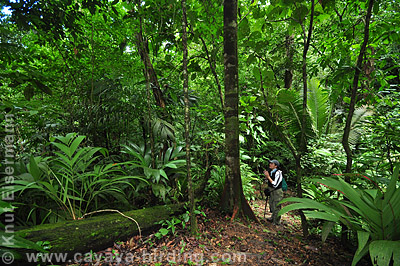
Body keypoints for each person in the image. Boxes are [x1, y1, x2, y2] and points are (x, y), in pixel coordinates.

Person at [263, 159, 283, 225]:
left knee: (276, 206)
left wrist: (268, 177)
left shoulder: (278, 173)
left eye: (272, 164)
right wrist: (266, 177)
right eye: (270, 163)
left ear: (276, 166)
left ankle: (276, 221)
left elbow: (275, 184)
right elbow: (269, 181)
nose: (270, 164)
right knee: (271, 204)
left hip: (277, 192)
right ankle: (272, 218)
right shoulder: (271, 171)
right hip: (271, 190)